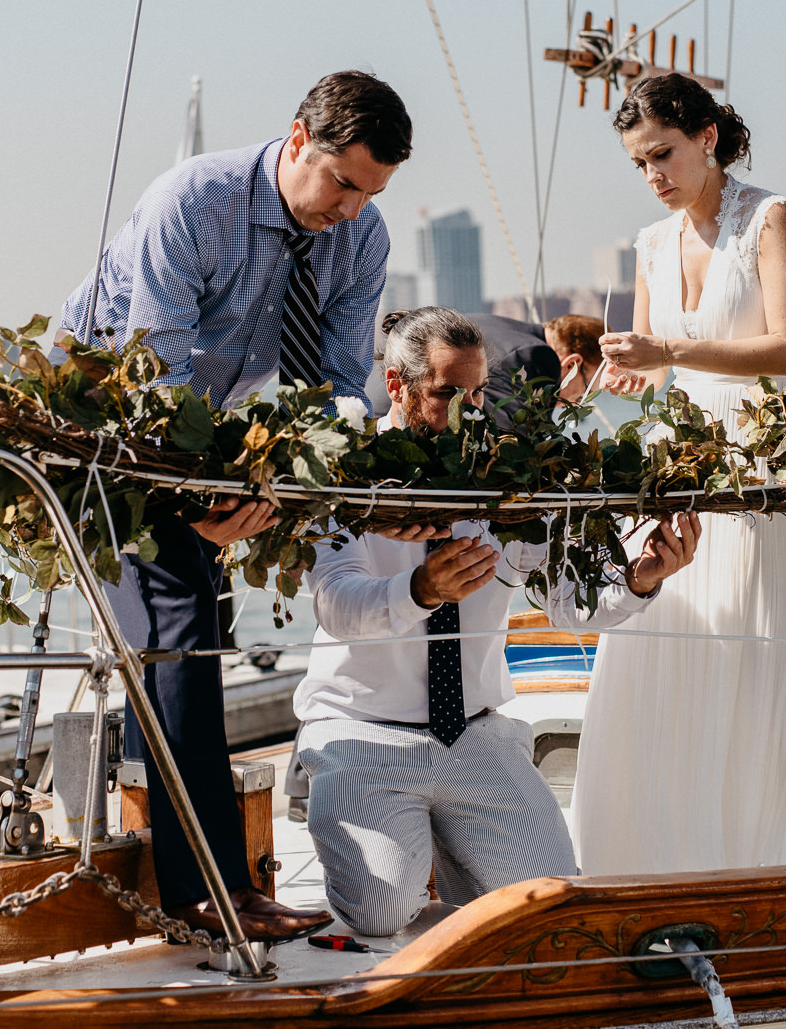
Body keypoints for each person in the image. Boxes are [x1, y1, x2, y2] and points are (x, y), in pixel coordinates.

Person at [59, 70, 413, 942]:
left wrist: (292, 489)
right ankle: (204, 893)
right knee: (181, 633)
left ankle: (213, 875)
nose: (352, 211)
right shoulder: (194, 200)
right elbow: (158, 371)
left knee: (196, 641)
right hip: (107, 421)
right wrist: (196, 508)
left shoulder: (360, 240)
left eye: (370, 194)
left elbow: (332, 387)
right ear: (298, 141)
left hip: (210, 440)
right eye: (342, 184)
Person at [292, 307, 700, 935]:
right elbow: (337, 606)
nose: (469, 411)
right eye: (447, 394)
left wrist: (639, 577)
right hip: (360, 731)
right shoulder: (342, 471)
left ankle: (464, 876)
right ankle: (428, 881)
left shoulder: (503, 476)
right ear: (397, 387)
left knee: (553, 903)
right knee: (379, 915)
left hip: (473, 735)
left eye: (478, 392)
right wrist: (419, 591)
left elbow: (568, 598)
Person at [571, 72, 786, 874]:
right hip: (677, 458)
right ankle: (652, 858)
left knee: (749, 658)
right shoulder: (651, 243)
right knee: (656, 642)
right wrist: (631, 374)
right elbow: (661, 369)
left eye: (663, 154)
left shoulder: (772, 217)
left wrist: (667, 353)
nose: (653, 175)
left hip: (761, 465)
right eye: (638, 163)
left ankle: (758, 861)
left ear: (708, 139)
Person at [462, 312, 603, 428]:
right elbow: (522, 447)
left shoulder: (487, 321)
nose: (576, 405)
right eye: (584, 395)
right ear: (571, 365)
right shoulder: (534, 357)